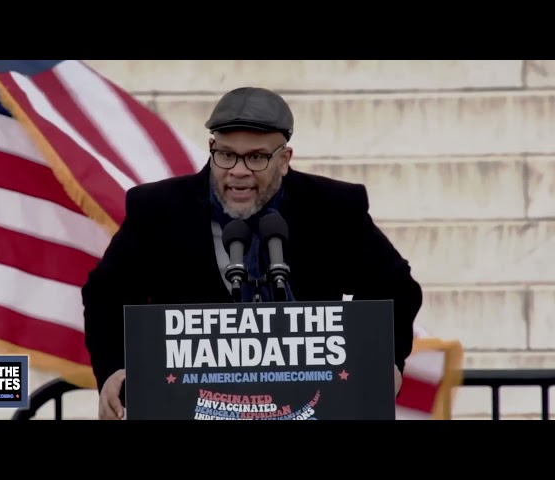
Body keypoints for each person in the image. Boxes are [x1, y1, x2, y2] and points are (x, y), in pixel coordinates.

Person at [82, 86, 423, 420]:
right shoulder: (157, 209)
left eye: (257, 157)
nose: (238, 170)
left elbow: (395, 287)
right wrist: (115, 368)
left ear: (284, 159)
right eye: (226, 154)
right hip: (190, 404)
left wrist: (380, 359)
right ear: (212, 148)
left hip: (310, 403)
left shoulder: (333, 208)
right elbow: (106, 294)